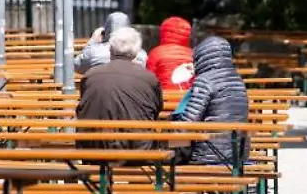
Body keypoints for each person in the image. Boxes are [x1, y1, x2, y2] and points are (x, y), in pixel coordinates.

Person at [76, 27, 163, 150]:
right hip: (137, 149)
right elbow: (157, 110)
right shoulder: (149, 78)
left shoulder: (90, 75)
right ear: (136, 52)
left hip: (93, 148)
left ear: (110, 49)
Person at [172, 36, 249, 165]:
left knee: (172, 147)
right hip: (237, 155)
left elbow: (187, 123)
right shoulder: (238, 80)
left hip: (209, 155)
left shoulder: (205, 81)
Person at [74, 11, 147, 74]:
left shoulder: (93, 52)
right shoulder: (142, 54)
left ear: (105, 31)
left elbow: (77, 65)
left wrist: (92, 41)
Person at [146, 16, 195, 91]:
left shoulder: (156, 53)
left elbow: (149, 79)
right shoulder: (193, 54)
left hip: (163, 98)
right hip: (186, 99)